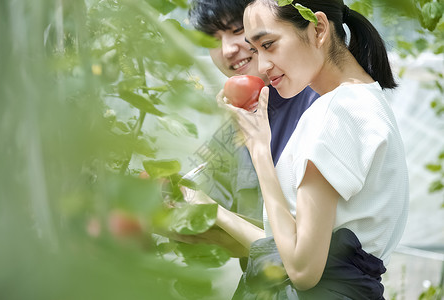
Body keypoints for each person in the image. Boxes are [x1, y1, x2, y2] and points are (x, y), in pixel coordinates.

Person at [213, 0, 410, 299]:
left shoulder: (334, 113)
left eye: (269, 44)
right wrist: (212, 212)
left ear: (318, 29)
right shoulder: (365, 100)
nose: (263, 65)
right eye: (255, 50)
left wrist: (259, 151)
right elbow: (292, 246)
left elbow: (303, 271)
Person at [174, 0, 319, 261]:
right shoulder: (234, 126)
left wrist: (213, 213)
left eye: (238, 29)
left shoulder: (319, 107)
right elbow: (205, 235)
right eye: (213, 40)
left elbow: (311, 253)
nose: (228, 49)